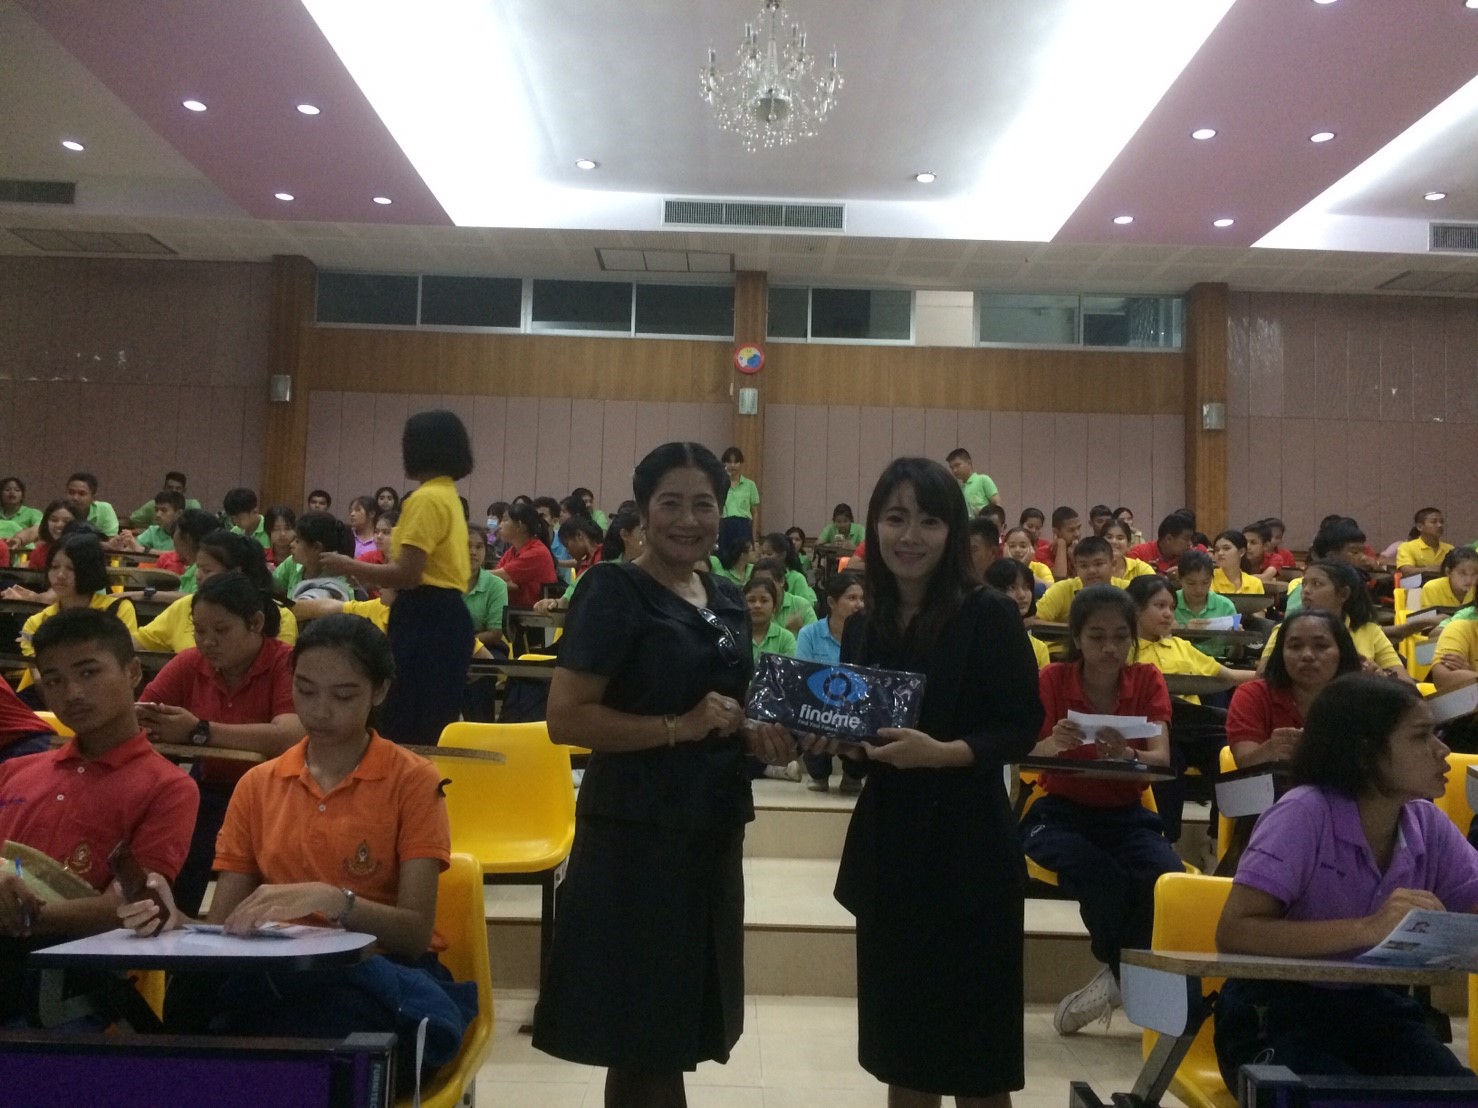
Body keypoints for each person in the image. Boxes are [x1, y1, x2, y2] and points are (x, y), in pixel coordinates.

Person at [532, 441, 791, 1107]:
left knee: (673, 1027)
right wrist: (679, 725)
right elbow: (566, 718)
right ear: (643, 512)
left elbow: (728, 704)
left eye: (703, 504)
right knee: (642, 1030)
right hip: (636, 835)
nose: (688, 520)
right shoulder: (613, 590)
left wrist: (757, 732)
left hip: (711, 827)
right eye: (670, 504)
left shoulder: (726, 597)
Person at [119, 615, 476, 1093]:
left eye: (343, 696)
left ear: (380, 691)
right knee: (190, 1002)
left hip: (377, 973)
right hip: (279, 973)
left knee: (323, 1025)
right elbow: (227, 926)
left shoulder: (412, 781)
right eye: (305, 691)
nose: (320, 710)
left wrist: (335, 901)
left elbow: (413, 934)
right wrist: (179, 923)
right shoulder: (259, 784)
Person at [799, 456, 1042, 1104]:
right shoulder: (866, 620)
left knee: (977, 1061)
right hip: (891, 851)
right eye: (895, 518)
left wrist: (946, 753)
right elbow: (867, 738)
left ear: (953, 530)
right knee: (901, 1056)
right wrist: (841, 742)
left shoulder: (989, 613)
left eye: (929, 521)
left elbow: (1021, 725)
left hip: (970, 852)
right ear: (874, 526)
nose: (909, 535)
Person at [1213, 675, 1478, 1085]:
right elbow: (1234, 932)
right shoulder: (1302, 813)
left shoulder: (1428, 823)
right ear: (1365, 751)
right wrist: (1369, 928)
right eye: (1420, 736)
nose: (1442, 750)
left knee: (1455, 1093)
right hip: (1274, 1011)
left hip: (1377, 1009)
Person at [0, 609, 197, 1025]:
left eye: (88, 673)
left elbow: (127, 906)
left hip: (62, 983)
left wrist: (20, 917)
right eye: (54, 680)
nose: (72, 693)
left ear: (132, 672)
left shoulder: (168, 787)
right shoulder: (15, 771)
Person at [1022, 585, 1180, 1035]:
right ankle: (1128, 975)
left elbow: (1160, 759)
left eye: (1120, 636)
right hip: (1060, 812)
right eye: (1096, 636)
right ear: (1076, 637)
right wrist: (1054, 744)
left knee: (1165, 877)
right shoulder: (1053, 679)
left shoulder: (1147, 679)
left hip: (1127, 814)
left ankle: (1117, 978)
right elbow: (1026, 753)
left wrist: (1127, 756)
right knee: (1098, 873)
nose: (1109, 648)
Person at [137, 572, 302, 915]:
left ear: (255, 623)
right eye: (199, 631)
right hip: (210, 788)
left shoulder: (285, 662)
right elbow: (140, 716)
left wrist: (198, 731)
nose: (207, 642)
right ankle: (169, 926)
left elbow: (290, 734)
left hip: (279, 794)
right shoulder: (190, 663)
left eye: (221, 630)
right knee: (175, 835)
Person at [319, 410, 475, 748]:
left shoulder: (425, 499)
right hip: (447, 614)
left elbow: (407, 574)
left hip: (425, 616)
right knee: (432, 721)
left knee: (406, 722)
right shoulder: (447, 494)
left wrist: (349, 565)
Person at [1226, 610, 1363, 768]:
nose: (1307, 655)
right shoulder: (1253, 695)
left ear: (1342, 651)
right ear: (1280, 652)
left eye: (1321, 646)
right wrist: (1269, 751)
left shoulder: (1363, 697)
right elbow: (1244, 765)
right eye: (1295, 646)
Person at [16, 532, 139, 698]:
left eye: (70, 568)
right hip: (45, 697)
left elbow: (122, 666)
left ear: (89, 570)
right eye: (54, 567)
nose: (60, 575)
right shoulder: (36, 622)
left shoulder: (117, 610)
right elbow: (40, 678)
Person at [136, 530, 300, 653]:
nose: (198, 576)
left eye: (207, 571)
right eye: (199, 630)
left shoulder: (279, 616)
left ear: (235, 574)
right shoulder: (185, 606)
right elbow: (139, 642)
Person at [1259, 561, 1409, 681]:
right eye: (1304, 584)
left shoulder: (1370, 631)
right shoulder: (1285, 629)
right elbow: (1263, 675)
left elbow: (1407, 685)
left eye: (1317, 584)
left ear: (1343, 594)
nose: (1306, 591)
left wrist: (1379, 676)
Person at [796, 571, 867, 793]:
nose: (859, 605)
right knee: (809, 719)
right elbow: (804, 678)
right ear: (831, 602)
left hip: (854, 708)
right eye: (852, 598)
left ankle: (853, 774)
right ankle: (818, 773)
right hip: (819, 707)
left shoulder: (868, 635)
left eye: (862, 599)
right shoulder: (810, 633)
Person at [1034, 535, 1126, 624]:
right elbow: (1033, 620)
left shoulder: (1127, 589)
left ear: (1113, 565)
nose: (1091, 571)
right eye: (1084, 565)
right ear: (1076, 568)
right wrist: (1076, 630)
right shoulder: (1062, 589)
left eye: (1098, 564)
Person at [984, 557, 1051, 670]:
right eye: (1012, 587)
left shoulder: (1039, 648)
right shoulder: (981, 641)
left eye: (1026, 587)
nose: (1022, 595)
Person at [491, 500, 558, 609]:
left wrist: (469, 574)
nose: (500, 525)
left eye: (505, 520)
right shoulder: (513, 550)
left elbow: (498, 576)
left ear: (520, 526)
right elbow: (495, 578)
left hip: (532, 613)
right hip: (514, 610)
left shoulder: (536, 552)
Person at [750, 556, 816, 636]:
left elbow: (814, 639)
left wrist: (801, 630)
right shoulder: (751, 607)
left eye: (767, 581)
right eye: (758, 582)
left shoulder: (801, 606)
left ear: (781, 581)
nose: (762, 586)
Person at [108, 490, 184, 555]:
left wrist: (143, 550)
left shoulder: (187, 534)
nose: (158, 514)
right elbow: (135, 549)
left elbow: (180, 555)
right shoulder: (153, 531)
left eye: (164, 510)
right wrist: (120, 548)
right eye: (156, 510)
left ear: (179, 514)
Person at [1173, 550, 1235, 630]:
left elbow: (1234, 637)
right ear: (1180, 579)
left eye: (1205, 582)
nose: (1199, 590)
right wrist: (1185, 630)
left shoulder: (1225, 606)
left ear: (1212, 578)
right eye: (1191, 583)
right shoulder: (1170, 604)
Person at [743, 576, 797, 663]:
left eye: (764, 601)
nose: (757, 605)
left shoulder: (785, 638)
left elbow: (790, 669)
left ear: (774, 606)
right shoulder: (735, 636)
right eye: (752, 600)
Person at [757, 531, 816, 605]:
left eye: (769, 554)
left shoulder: (797, 578)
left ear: (782, 555)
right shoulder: (758, 575)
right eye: (763, 553)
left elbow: (806, 606)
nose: (764, 557)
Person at [127, 472, 201, 530]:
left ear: (184, 490)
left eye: (178, 488)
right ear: (164, 488)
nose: (173, 491)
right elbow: (131, 521)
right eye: (170, 487)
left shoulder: (193, 505)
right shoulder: (153, 504)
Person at [718, 446, 760, 549]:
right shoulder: (719, 484)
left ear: (741, 463)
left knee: (743, 555)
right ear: (724, 464)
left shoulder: (750, 484)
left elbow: (755, 513)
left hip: (743, 526)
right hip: (724, 525)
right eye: (729, 462)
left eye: (736, 462)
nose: (732, 465)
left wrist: (754, 538)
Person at [1128, 512, 1195, 576]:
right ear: (1169, 539)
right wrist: (1144, 572)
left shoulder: (1190, 557)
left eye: (1191, 538)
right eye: (1186, 539)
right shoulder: (1139, 554)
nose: (1190, 543)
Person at [1395, 507, 1451, 577]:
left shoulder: (1450, 549)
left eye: (1441, 522)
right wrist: (1430, 569)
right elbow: (1407, 571)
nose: (1440, 525)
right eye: (1434, 522)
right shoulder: (1406, 547)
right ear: (1420, 527)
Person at [946, 447, 1001, 514]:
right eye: (952, 468)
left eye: (957, 465)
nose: (954, 470)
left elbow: (997, 506)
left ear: (969, 463)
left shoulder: (983, 479)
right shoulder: (959, 489)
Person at [1210, 529, 1266, 595]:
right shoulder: (1208, 579)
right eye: (1217, 550)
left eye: (1226, 548)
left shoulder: (1255, 583)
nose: (1220, 553)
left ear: (1241, 552)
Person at [1101, 518, 1153, 582]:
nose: (1114, 541)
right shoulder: (1094, 570)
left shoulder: (1140, 569)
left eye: (1120, 538)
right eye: (1109, 537)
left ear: (1128, 544)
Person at [1004, 525, 1054, 590]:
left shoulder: (1040, 568)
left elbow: (1052, 589)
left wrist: (1025, 569)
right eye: (1012, 546)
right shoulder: (998, 568)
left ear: (1033, 548)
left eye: (1023, 546)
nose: (1017, 550)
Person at [1042, 505, 1081, 580]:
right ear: (1056, 532)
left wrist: (1074, 558)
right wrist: (1061, 545)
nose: (1077, 534)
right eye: (1071, 530)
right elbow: (1059, 579)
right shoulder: (1043, 553)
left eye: (1079, 528)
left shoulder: (1085, 551)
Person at [0, 476, 41, 546]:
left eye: (17, 490)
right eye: (7, 489)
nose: (12, 492)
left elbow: (39, 529)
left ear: (22, 495)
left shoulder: (33, 513)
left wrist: (20, 539)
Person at [263, 504, 296, 570]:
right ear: (268, 531)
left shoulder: (302, 558)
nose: (282, 534)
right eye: (276, 529)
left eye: (287, 528)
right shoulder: (261, 557)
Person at [346, 496, 380, 560]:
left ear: (372, 514)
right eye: (351, 511)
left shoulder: (380, 537)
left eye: (357, 510)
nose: (352, 514)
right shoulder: (347, 535)